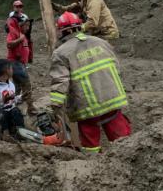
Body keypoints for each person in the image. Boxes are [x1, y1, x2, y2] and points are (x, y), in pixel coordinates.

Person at [49, 11, 131, 153]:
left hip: (87, 109)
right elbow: (117, 69)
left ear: (63, 31)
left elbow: (60, 84)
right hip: (112, 102)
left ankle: (94, 171)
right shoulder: (101, 42)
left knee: (91, 149)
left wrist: (56, 110)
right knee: (126, 144)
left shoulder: (60, 53)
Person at [52, 0, 119, 40]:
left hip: (108, 34)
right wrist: (56, 7)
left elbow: (92, 22)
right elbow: (67, 9)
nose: (70, 0)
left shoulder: (93, 1)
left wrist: (78, 29)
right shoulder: (82, 1)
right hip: (98, 33)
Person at [6, 13, 37, 115]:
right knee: (26, 84)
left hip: (20, 63)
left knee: (17, 86)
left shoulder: (23, 35)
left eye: (29, 25)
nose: (28, 28)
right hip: (15, 63)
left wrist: (29, 57)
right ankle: (30, 108)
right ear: (20, 25)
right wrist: (20, 39)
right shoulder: (14, 33)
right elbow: (9, 44)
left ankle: (12, 105)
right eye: (26, 25)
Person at [0, 59, 24, 142]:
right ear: (6, 71)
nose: (12, 70)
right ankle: (5, 134)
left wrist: (21, 97)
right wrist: (1, 101)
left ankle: (21, 132)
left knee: (16, 111)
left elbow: (13, 100)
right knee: (1, 113)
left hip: (9, 110)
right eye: (11, 68)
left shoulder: (10, 84)